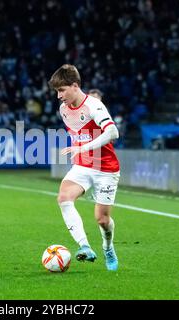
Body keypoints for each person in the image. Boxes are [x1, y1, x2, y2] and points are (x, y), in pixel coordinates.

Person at [48, 64, 120, 271]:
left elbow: (113, 133)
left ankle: (108, 247)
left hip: (106, 168)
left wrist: (83, 147)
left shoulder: (94, 106)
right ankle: (85, 246)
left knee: (102, 219)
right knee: (63, 198)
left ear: (75, 85)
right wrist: (80, 150)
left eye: (61, 90)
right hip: (82, 165)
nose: (59, 96)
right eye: (57, 92)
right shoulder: (64, 109)